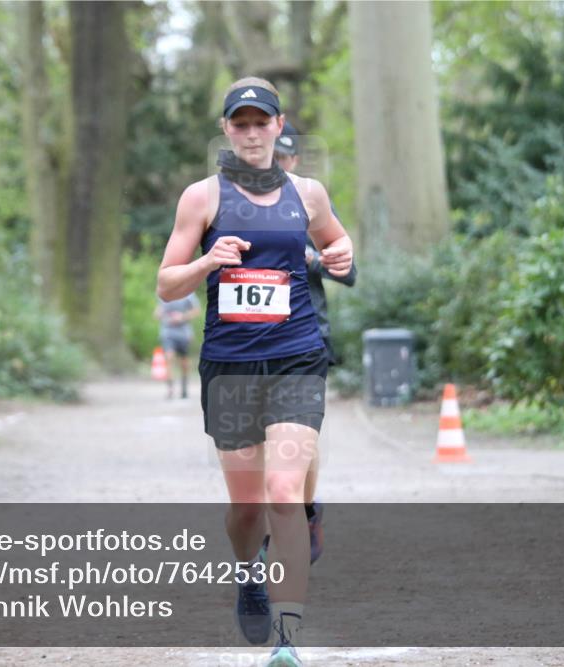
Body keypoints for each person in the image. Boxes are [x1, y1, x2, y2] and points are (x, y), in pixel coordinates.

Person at [158, 77, 354, 667]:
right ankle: (248, 571)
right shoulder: (202, 197)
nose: (250, 132)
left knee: (284, 492)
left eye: (260, 122)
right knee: (247, 509)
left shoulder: (308, 192)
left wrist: (342, 256)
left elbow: (338, 244)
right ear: (226, 129)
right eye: (239, 123)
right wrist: (207, 260)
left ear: (278, 124)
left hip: (297, 358)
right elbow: (167, 281)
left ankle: (287, 637)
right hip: (231, 367)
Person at [272, 122, 358, 565]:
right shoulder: (238, 206)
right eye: (274, 156)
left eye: (285, 157)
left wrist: (315, 259)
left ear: (295, 160)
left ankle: (302, 512)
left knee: (299, 437)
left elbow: (349, 272)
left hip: (309, 333)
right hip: (254, 340)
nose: (279, 163)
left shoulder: (311, 202)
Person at [154, 293, 200, 399]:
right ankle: (170, 389)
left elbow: (196, 310)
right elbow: (158, 311)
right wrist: (160, 314)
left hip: (183, 333)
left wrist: (182, 317)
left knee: (184, 362)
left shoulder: (188, 294)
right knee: (169, 357)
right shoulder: (165, 292)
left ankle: (184, 387)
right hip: (168, 332)